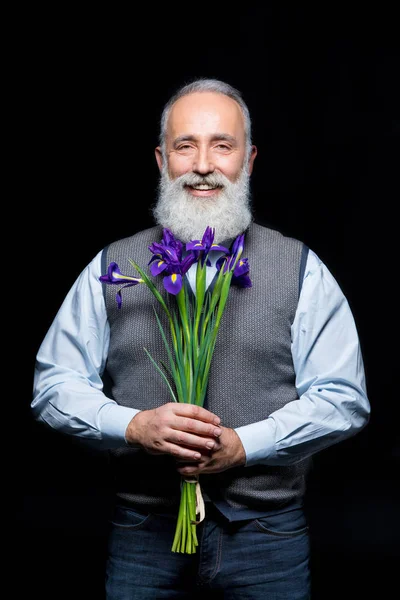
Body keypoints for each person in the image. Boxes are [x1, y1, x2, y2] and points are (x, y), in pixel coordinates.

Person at [32, 78, 370, 599]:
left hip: (266, 539)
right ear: (161, 160)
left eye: (222, 145)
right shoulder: (114, 266)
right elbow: (54, 385)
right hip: (143, 537)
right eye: (185, 145)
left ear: (249, 160)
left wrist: (243, 446)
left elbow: (344, 400)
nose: (203, 163)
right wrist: (133, 426)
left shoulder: (299, 268)